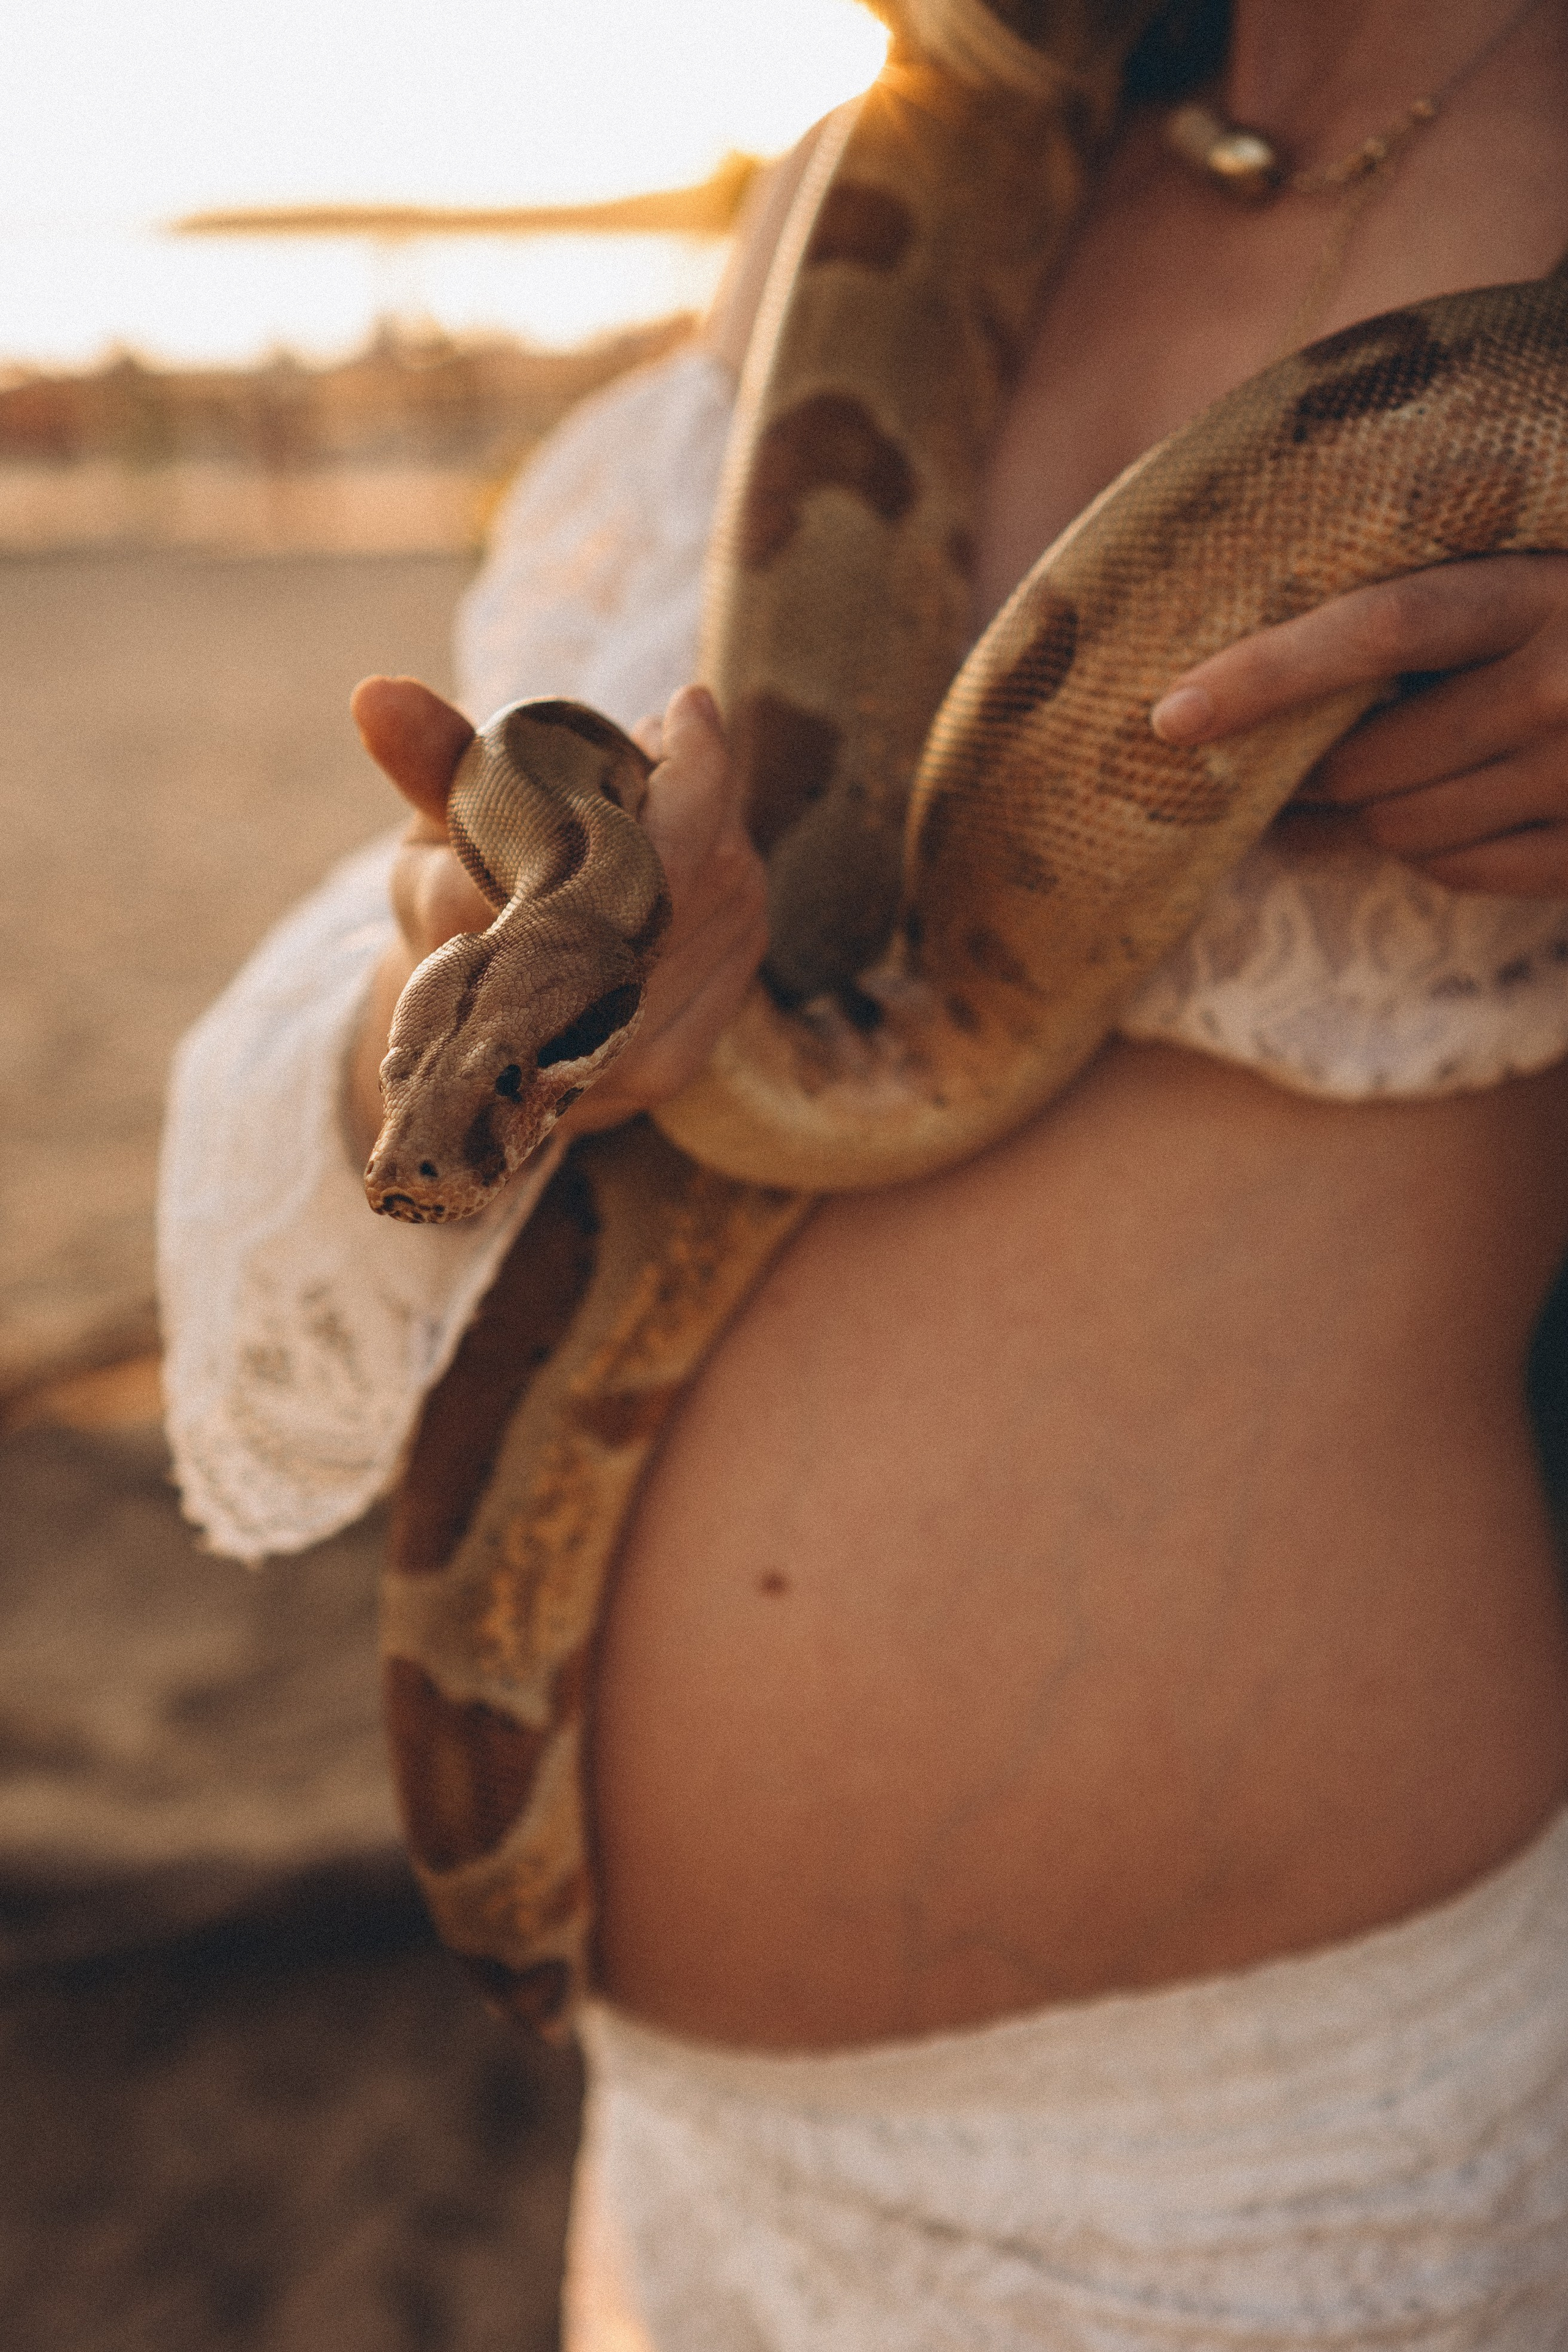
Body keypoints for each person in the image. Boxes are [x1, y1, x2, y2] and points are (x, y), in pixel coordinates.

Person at [160, 0, 1568, 2339]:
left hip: (1281, 2158)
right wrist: (487, 928)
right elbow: (549, 837)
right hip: (703, 2165)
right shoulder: (887, 175)